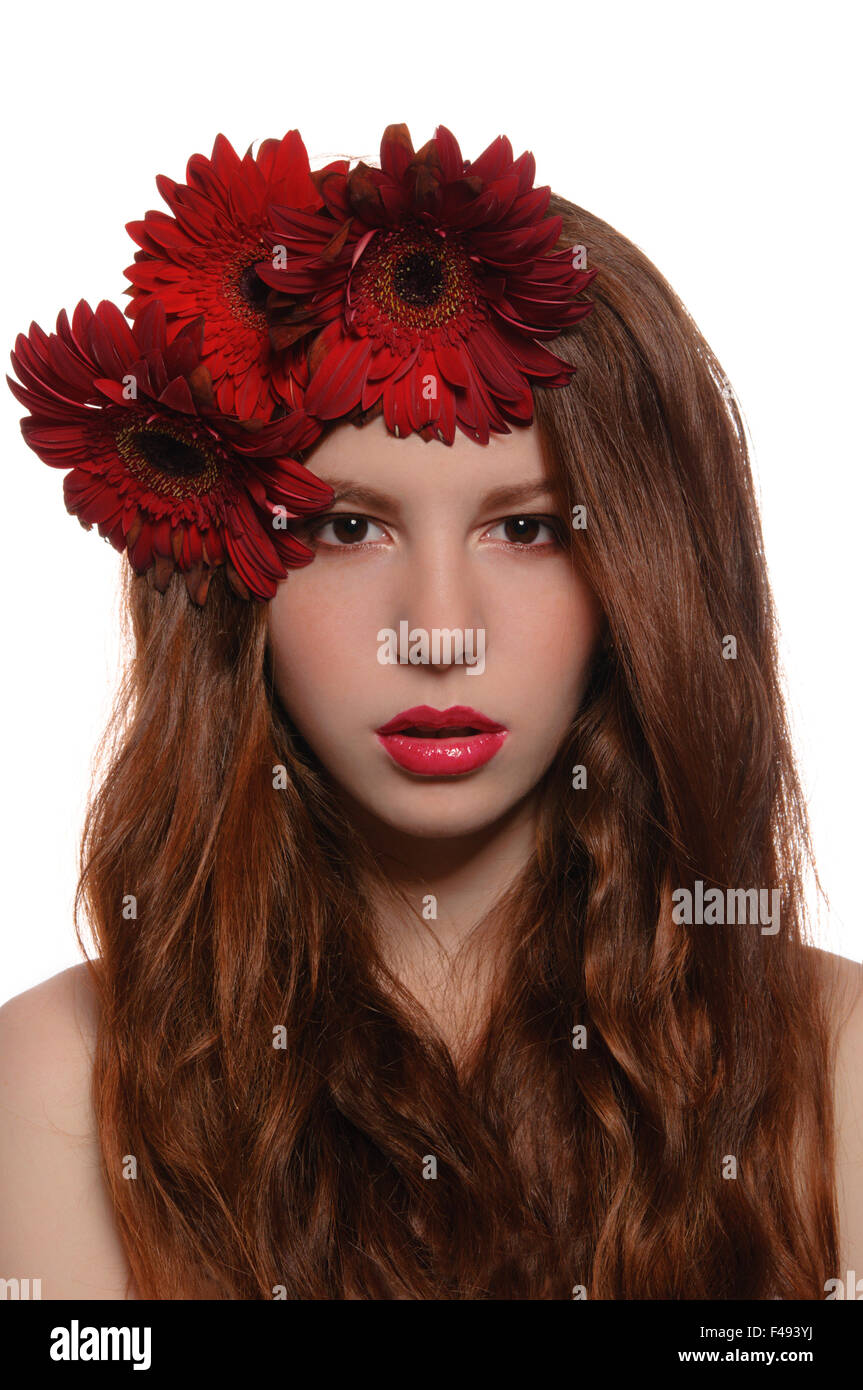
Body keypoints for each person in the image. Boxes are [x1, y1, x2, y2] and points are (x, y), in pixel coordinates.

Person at [1, 124, 860, 1301]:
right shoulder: (55, 1082)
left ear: (644, 572)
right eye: (347, 528)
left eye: (527, 528)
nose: (437, 630)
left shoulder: (835, 1063)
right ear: (235, 570)